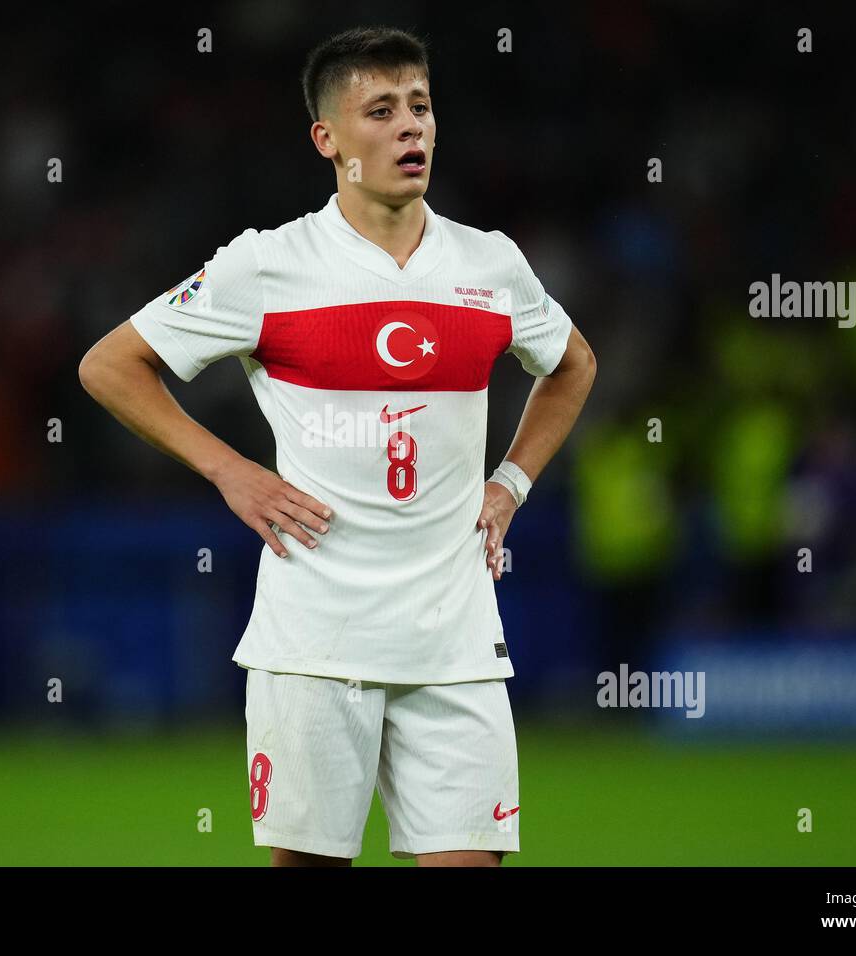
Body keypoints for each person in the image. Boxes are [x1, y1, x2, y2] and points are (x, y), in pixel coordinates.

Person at [79, 25, 596, 866]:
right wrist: (230, 470)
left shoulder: (491, 264)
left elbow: (572, 365)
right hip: (316, 643)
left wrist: (512, 483)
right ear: (327, 139)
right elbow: (110, 365)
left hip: (455, 641)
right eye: (382, 110)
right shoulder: (267, 266)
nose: (411, 129)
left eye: (421, 108)